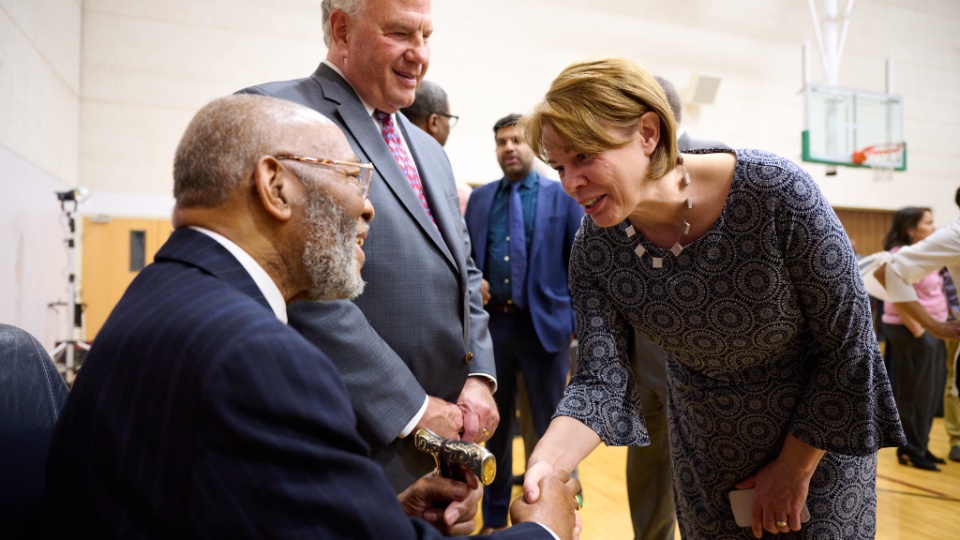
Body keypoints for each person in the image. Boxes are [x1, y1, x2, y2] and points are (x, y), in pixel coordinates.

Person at [44, 94, 580, 539]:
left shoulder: (161, 294)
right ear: (275, 186)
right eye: (350, 176)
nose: (367, 206)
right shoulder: (260, 357)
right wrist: (544, 531)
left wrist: (381, 511)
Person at [518, 56, 904, 539]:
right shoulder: (596, 247)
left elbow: (850, 346)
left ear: (647, 133)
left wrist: (793, 468)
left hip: (816, 445)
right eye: (559, 167)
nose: (570, 183)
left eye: (584, 157)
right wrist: (547, 465)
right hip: (707, 452)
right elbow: (601, 381)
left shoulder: (776, 192)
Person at [237, 0, 500, 492]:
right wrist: (411, 409)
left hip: (445, 440)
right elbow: (302, 292)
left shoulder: (431, 152)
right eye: (400, 33)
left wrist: (479, 378)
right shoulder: (276, 115)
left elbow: (463, 270)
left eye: (426, 36)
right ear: (342, 30)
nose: (419, 54)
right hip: (351, 446)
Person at [463, 114, 584, 534]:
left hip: (544, 329)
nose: (509, 148)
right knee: (493, 429)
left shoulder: (561, 196)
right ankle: (495, 520)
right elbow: (467, 258)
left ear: (533, 146)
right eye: (501, 141)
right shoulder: (481, 199)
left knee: (550, 427)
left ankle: (552, 519)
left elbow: (579, 264)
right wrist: (474, 282)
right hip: (492, 330)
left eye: (516, 140)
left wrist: (574, 321)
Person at [625, 75, 730, 540]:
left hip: (706, 366)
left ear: (652, 124)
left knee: (708, 484)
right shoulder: (624, 176)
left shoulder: (715, 161)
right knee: (649, 473)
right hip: (643, 361)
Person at [878, 207, 947, 471]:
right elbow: (896, 295)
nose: (934, 227)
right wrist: (919, 330)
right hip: (911, 330)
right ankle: (910, 449)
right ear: (910, 229)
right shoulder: (900, 255)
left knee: (929, 392)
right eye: (928, 223)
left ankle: (921, 445)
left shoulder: (922, 253)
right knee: (914, 392)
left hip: (932, 329)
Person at [400, 79, 473, 214]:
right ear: (434, 122)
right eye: (448, 118)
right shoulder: (437, 168)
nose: (449, 127)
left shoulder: (392, 157)